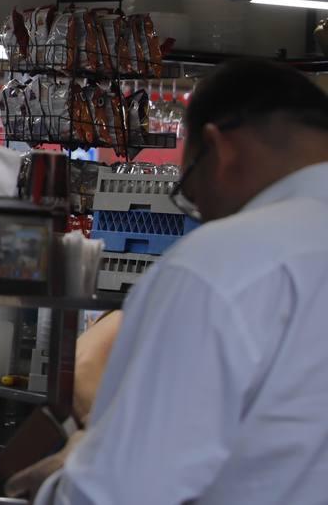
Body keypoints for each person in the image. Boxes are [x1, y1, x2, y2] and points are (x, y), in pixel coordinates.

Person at [18, 58, 328, 505]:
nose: (200, 209)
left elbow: (120, 493)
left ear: (218, 149)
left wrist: (62, 482)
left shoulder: (221, 264)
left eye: (190, 191)